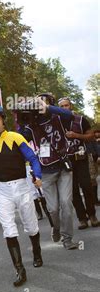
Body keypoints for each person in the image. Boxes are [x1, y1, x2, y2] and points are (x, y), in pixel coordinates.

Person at [0, 104, 43, 287]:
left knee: (31, 226)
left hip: (22, 186)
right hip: (2, 191)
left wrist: (37, 175)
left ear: (3, 121)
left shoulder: (16, 138)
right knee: (8, 229)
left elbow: (32, 158)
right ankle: (19, 270)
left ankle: (37, 253)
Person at [18, 94, 79, 250]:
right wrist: (21, 114)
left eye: (42, 103)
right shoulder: (32, 125)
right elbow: (19, 138)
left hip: (63, 167)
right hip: (46, 172)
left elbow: (71, 115)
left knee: (66, 203)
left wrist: (46, 107)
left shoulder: (58, 117)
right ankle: (56, 227)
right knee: (52, 208)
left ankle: (67, 238)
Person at [58, 97, 99, 229]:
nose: (65, 108)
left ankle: (92, 215)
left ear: (71, 106)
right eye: (62, 106)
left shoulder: (81, 120)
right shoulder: (56, 123)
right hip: (66, 161)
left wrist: (76, 135)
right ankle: (82, 218)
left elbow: (91, 136)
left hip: (81, 158)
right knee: (73, 190)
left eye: (66, 105)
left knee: (87, 186)